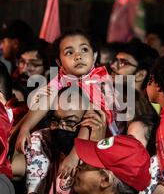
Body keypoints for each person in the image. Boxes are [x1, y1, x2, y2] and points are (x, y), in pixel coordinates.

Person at [16, 30, 118, 179]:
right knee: (35, 136)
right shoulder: (62, 78)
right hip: (68, 137)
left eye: (84, 49)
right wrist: (25, 128)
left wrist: (75, 155)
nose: (78, 56)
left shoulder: (99, 79)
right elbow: (44, 101)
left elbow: (91, 120)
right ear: (59, 62)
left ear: (94, 56)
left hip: (99, 140)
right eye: (69, 53)